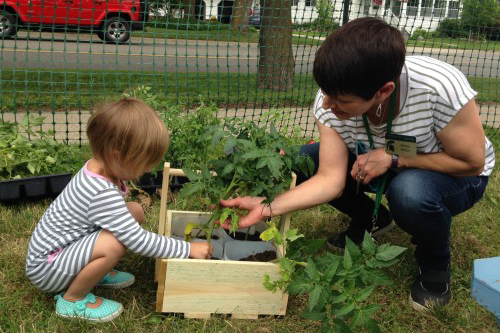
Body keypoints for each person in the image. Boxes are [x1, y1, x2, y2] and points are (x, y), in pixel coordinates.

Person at [220, 17, 495, 310]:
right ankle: (371, 220)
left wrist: (394, 158)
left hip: (453, 175)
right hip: (379, 163)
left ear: (383, 91)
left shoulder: (438, 87)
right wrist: (268, 206)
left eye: (340, 100)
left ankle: (435, 266)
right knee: (304, 162)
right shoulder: (333, 93)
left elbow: (471, 162)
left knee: (410, 193)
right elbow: (329, 178)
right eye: (325, 93)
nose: (326, 105)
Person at [25, 98, 212, 322]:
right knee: (113, 244)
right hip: (47, 268)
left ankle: (94, 273)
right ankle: (72, 299)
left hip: (59, 254)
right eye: (145, 162)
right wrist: (187, 249)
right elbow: (138, 240)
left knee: (134, 211)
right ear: (116, 156)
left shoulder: (99, 168)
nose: (149, 169)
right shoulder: (99, 191)